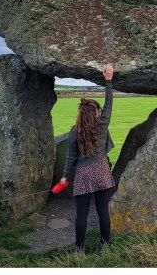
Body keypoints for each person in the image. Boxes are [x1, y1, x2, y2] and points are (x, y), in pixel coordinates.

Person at [61, 64, 116, 254]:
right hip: (101, 171)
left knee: (81, 215)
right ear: (95, 114)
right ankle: (105, 245)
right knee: (103, 212)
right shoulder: (102, 126)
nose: (101, 112)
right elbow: (109, 104)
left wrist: (65, 177)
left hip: (83, 175)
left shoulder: (74, 132)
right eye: (98, 110)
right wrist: (108, 81)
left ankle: (79, 248)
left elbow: (70, 157)